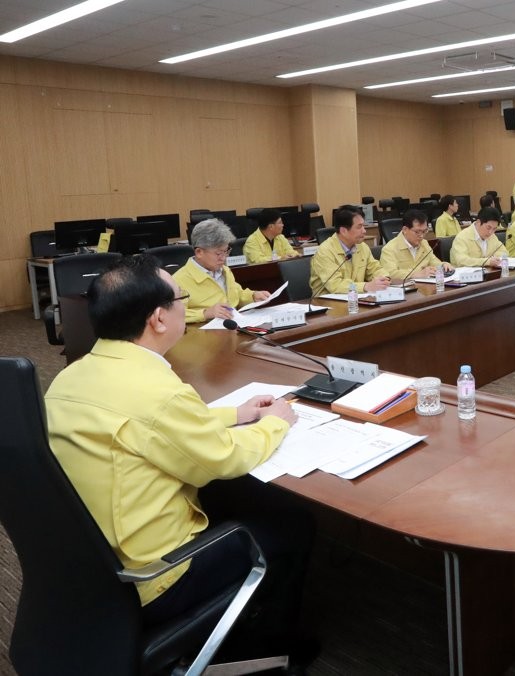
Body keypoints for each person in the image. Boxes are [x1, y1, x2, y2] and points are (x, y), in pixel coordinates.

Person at [45, 254, 314, 658]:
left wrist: (238, 414)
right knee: (294, 523)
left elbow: (151, 424)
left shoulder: (72, 376)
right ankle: (268, 648)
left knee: (231, 498)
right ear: (158, 319)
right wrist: (275, 422)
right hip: (157, 576)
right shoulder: (158, 391)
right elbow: (225, 459)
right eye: (181, 299)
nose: (184, 307)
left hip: (92, 565)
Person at [173, 219, 270, 323]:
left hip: (233, 325)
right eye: (218, 253)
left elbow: (236, 294)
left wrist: (252, 296)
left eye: (226, 251)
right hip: (203, 330)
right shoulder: (177, 281)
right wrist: (205, 313)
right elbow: (172, 315)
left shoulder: (225, 270)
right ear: (199, 252)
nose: (224, 258)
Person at [309, 208, 390, 294]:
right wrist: (365, 286)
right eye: (359, 227)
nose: (364, 231)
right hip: (327, 300)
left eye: (363, 226)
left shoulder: (362, 246)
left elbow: (375, 268)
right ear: (343, 231)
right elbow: (335, 285)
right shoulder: (325, 252)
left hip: (355, 297)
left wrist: (384, 278)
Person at [380, 209, 452, 280]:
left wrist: (442, 265)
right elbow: (389, 274)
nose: (421, 236)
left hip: (424, 285)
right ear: (405, 230)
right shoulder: (389, 249)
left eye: (424, 231)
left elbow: (433, 261)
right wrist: (415, 274)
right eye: (417, 232)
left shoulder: (424, 243)